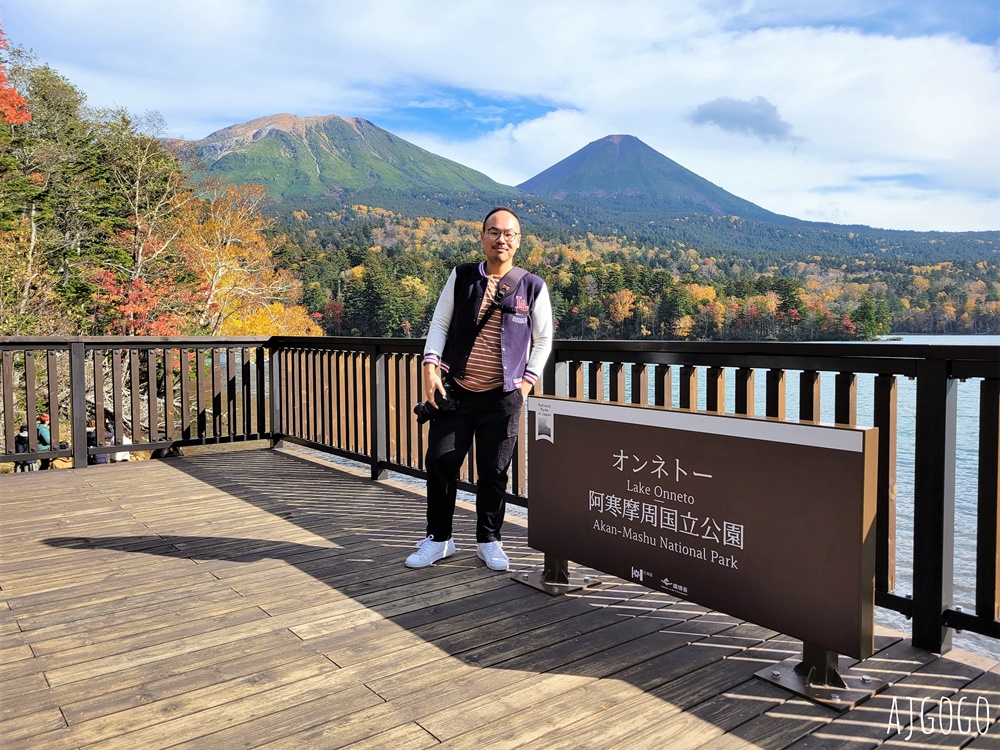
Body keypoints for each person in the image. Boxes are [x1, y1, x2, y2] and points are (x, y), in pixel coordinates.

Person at [405, 207, 553, 572]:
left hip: (503, 397)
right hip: (456, 392)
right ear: (482, 236)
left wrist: (527, 383)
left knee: (494, 471)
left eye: (509, 234)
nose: (501, 239)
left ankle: (489, 540)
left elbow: (544, 339)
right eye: (494, 232)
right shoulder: (463, 276)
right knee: (440, 463)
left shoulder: (532, 285)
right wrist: (430, 367)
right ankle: (439, 539)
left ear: (518, 241)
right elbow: (440, 324)